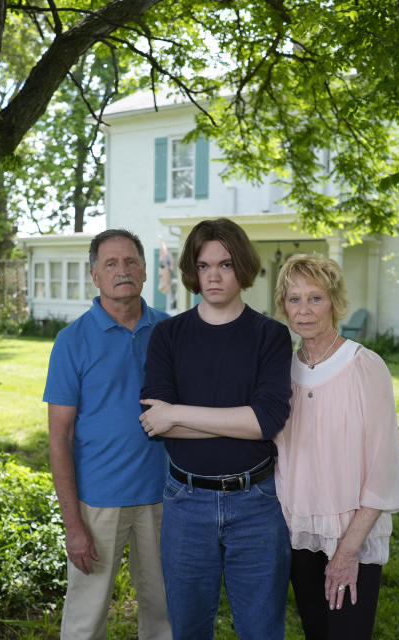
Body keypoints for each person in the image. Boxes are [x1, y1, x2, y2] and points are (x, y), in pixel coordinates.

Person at [139, 218, 293, 640]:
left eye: (225, 265)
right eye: (204, 266)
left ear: (241, 268)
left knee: (261, 631)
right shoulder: (167, 335)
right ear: (193, 270)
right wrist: (235, 422)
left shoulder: (271, 336)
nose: (214, 275)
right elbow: (156, 424)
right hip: (185, 504)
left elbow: (267, 421)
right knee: (188, 630)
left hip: (258, 505)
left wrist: (179, 414)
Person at [43, 229, 172, 640]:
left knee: (166, 611)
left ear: (145, 271)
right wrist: (72, 525)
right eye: (111, 263)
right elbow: (59, 438)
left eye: (131, 262)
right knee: (86, 616)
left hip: (165, 497)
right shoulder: (72, 341)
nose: (123, 271)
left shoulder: (171, 333)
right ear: (94, 275)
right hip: (98, 501)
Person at [273, 254, 399, 640]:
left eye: (315, 298)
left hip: (353, 536)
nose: (304, 310)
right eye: (294, 299)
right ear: (284, 304)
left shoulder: (365, 366)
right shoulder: (280, 370)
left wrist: (348, 551)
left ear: (334, 302)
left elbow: (383, 471)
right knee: (317, 633)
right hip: (299, 533)